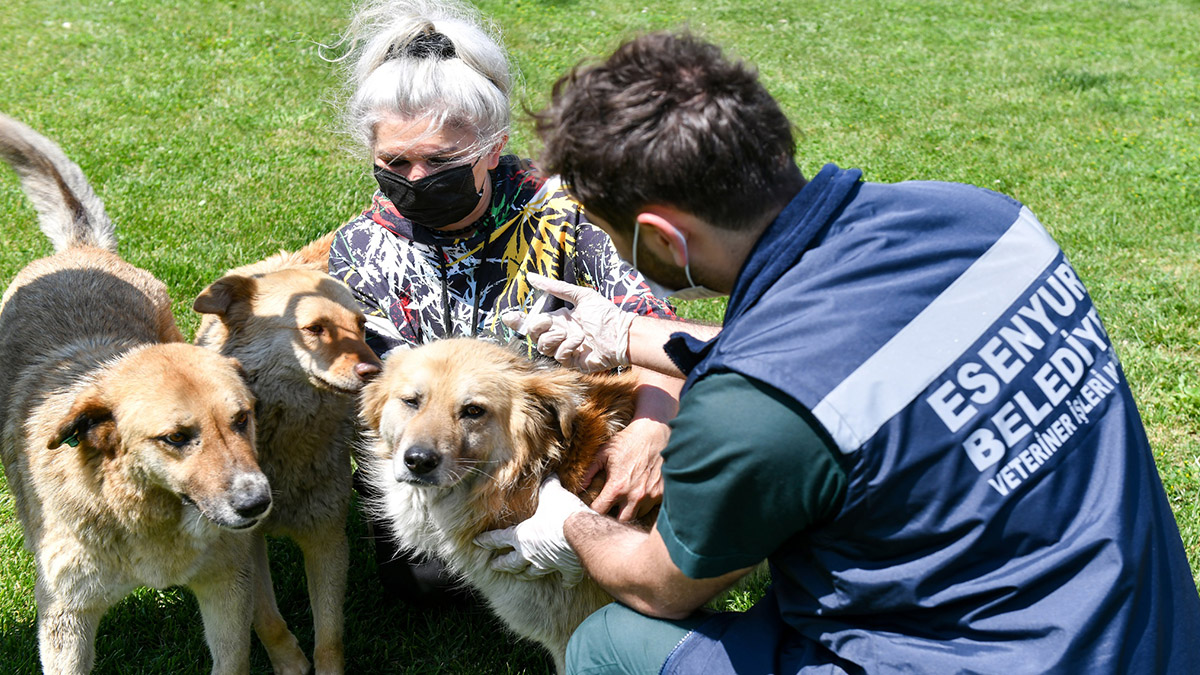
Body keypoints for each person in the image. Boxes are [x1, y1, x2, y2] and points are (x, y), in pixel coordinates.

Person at [478, 30, 1200, 673]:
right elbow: (851, 355)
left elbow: (658, 582)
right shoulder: (986, 220)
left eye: (610, 232)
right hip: (1148, 635)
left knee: (610, 639)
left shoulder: (748, 410)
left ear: (663, 239)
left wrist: (560, 522)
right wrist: (626, 334)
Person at [323, 0, 681, 604]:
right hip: (444, 463)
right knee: (425, 582)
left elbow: (662, 339)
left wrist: (649, 437)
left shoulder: (572, 217)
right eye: (394, 161)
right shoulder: (360, 248)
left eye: (441, 161)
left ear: (494, 147)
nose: (415, 177)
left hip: (573, 457)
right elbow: (374, 391)